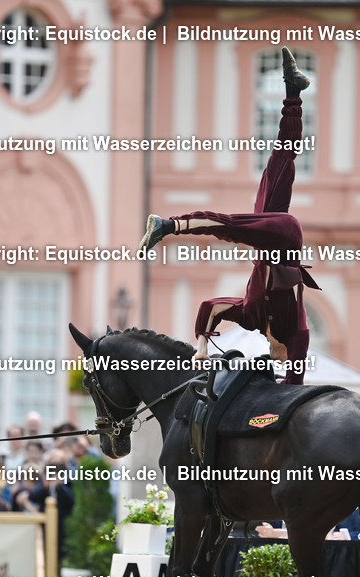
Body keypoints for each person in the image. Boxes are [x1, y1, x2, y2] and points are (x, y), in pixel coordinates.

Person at [139, 48, 318, 384]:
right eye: (283, 363)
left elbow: (213, 306)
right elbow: (295, 384)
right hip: (285, 238)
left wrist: (202, 346)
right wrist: (287, 381)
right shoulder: (298, 335)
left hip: (268, 241)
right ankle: (168, 225)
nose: (279, 361)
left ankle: (293, 92)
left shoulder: (252, 318)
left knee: (281, 160)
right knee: (231, 227)